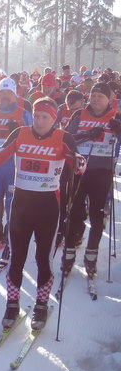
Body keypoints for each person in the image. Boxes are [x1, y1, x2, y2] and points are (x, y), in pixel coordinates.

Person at [0, 98, 85, 330]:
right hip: (21, 205)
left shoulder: (63, 137)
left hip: (48, 207)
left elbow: (76, 164)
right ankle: (12, 304)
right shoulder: (20, 133)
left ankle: (41, 305)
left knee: (43, 258)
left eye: (45, 117)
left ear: (54, 119)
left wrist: (78, 162)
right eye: (36, 116)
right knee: (17, 257)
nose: (39, 121)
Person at [62, 83, 121, 275]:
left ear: (109, 99)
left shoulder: (116, 116)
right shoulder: (79, 114)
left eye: (100, 96)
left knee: (97, 215)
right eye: (93, 95)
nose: (95, 99)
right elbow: (66, 139)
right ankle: (68, 254)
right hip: (79, 171)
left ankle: (91, 256)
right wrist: (88, 135)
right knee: (74, 212)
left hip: (102, 172)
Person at [0, 78, 33, 264]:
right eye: (2, 92)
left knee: (12, 209)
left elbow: (32, 140)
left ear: (15, 95)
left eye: (8, 92)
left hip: (13, 167)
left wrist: (18, 131)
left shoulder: (24, 114)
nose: (5, 96)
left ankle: (10, 244)